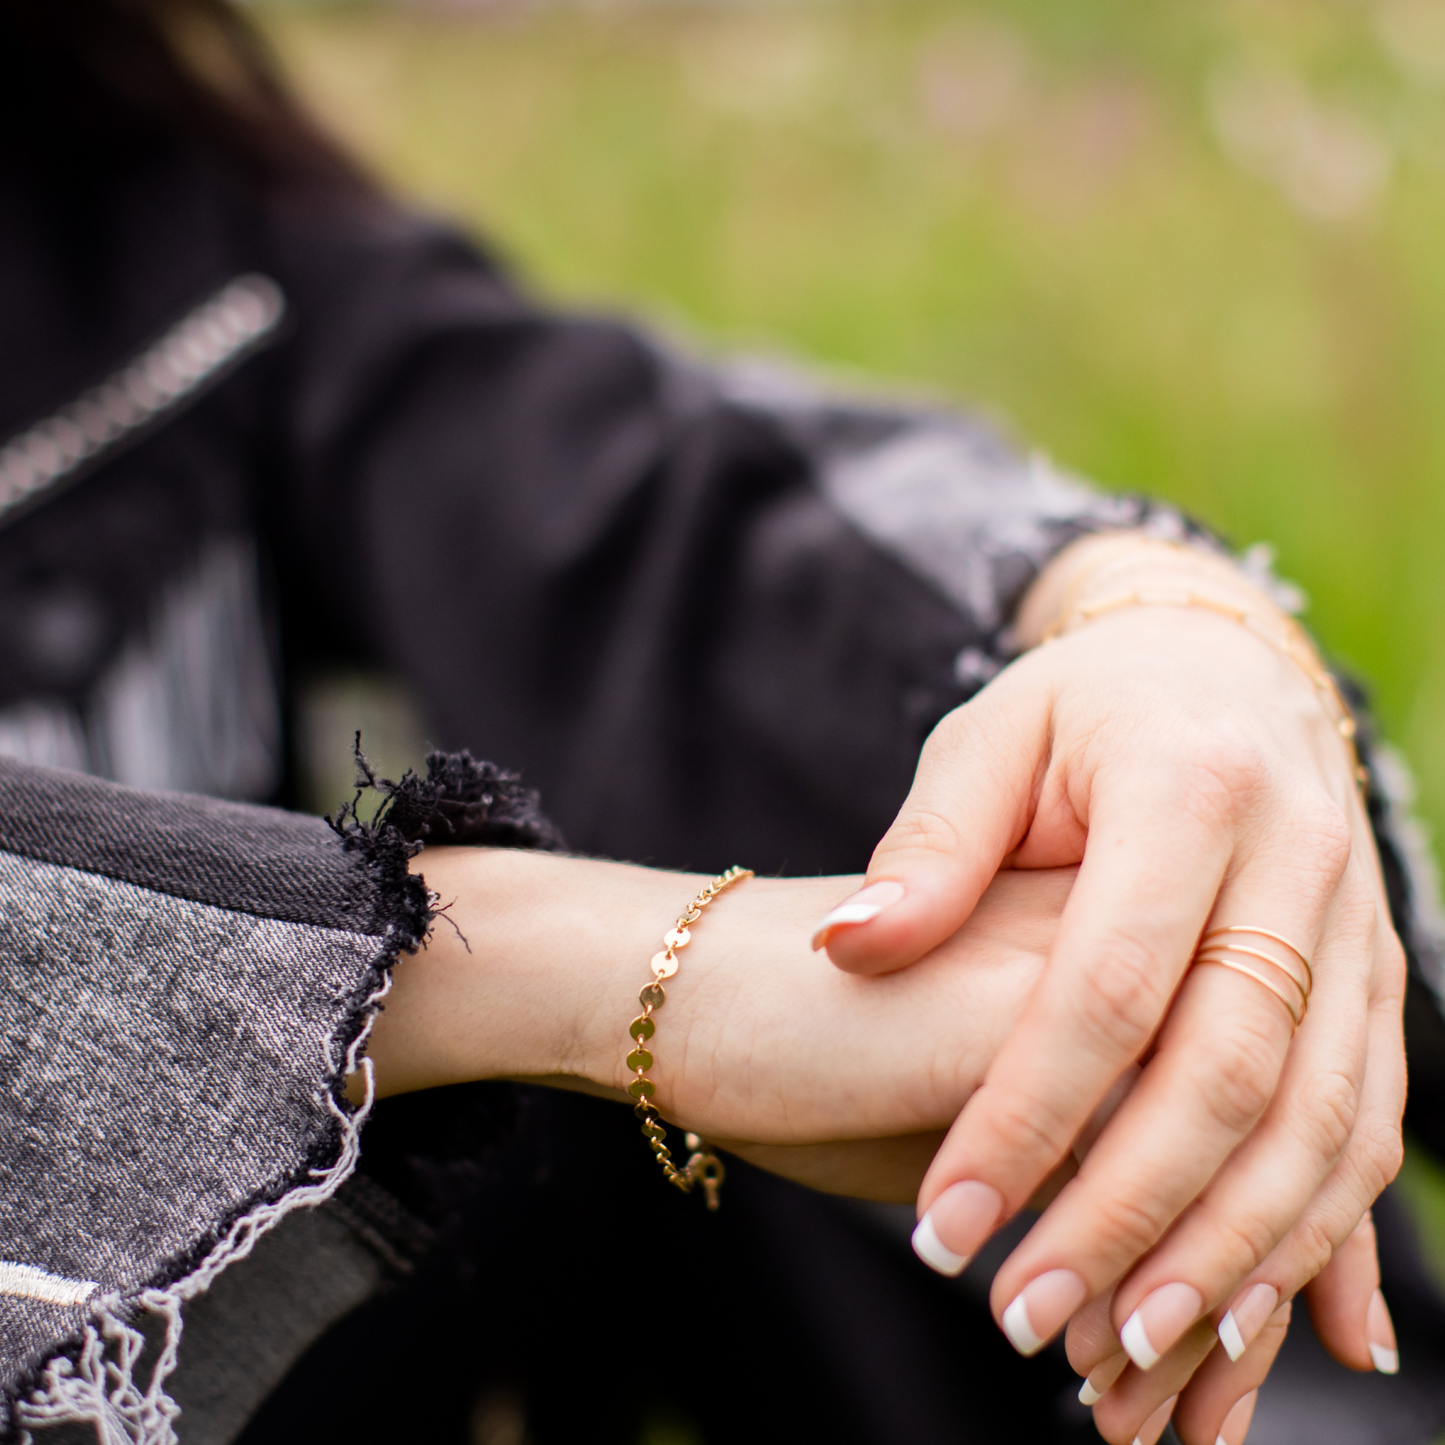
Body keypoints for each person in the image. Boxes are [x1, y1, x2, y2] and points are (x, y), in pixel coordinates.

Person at [0, 2, 1441, 1443]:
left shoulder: (134, 221)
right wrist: (595, 974)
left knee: (971, 981)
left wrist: (1158, 627)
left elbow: (641, 485)